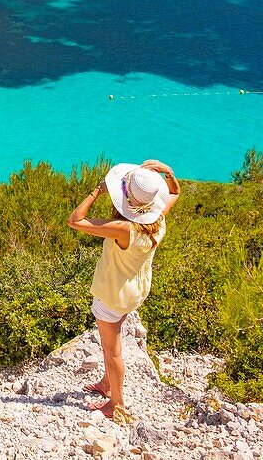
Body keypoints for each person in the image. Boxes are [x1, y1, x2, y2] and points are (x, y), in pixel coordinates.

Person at [67, 160, 180, 422]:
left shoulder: (124, 229)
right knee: (115, 333)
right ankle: (107, 383)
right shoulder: (158, 219)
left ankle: (116, 403)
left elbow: (75, 220)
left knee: (112, 350)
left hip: (113, 294)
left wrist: (96, 191)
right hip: (136, 290)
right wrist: (169, 173)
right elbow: (174, 193)